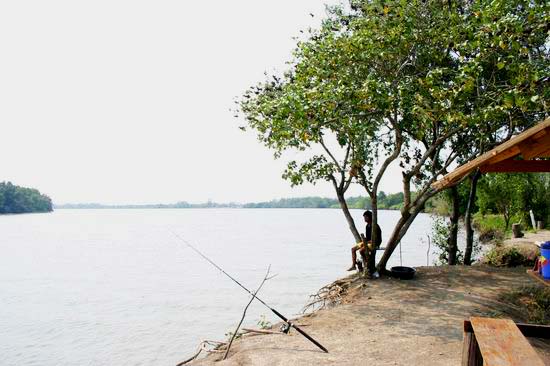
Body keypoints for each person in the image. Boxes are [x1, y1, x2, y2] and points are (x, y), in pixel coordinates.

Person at [347, 210, 382, 277]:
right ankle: (353, 265)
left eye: (366, 217)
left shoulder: (374, 226)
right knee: (353, 249)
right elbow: (368, 237)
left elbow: (375, 239)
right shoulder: (367, 226)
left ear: (370, 217)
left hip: (375, 243)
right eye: (364, 217)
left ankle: (368, 264)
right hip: (368, 242)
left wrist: (365, 243)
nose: (365, 219)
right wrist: (364, 242)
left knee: (361, 250)